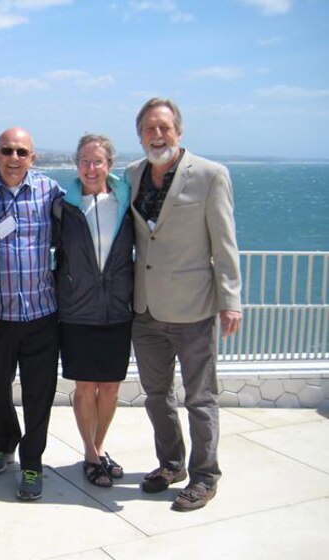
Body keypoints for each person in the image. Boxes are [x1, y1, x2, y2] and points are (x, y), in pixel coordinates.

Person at [126, 98, 242, 511]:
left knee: (200, 399)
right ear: (139, 135)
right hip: (146, 310)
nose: (157, 136)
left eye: (164, 128)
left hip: (194, 308)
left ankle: (205, 476)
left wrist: (231, 301)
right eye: (148, 129)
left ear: (179, 130)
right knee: (156, 396)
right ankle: (171, 463)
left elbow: (224, 243)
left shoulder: (211, 175)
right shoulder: (132, 174)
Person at [0, 127, 62, 501]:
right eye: (7, 151)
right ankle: (3, 444)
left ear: (33, 157)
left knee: (38, 395)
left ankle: (32, 462)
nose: (14, 158)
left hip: (42, 315)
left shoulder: (50, 191)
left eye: (22, 152)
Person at [54, 134, 133, 489]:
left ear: (109, 165)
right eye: (84, 161)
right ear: (76, 165)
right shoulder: (64, 206)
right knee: (85, 387)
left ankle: (98, 449)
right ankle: (90, 453)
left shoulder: (125, 202)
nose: (90, 168)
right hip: (77, 311)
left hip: (117, 308)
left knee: (111, 389)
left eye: (97, 161)